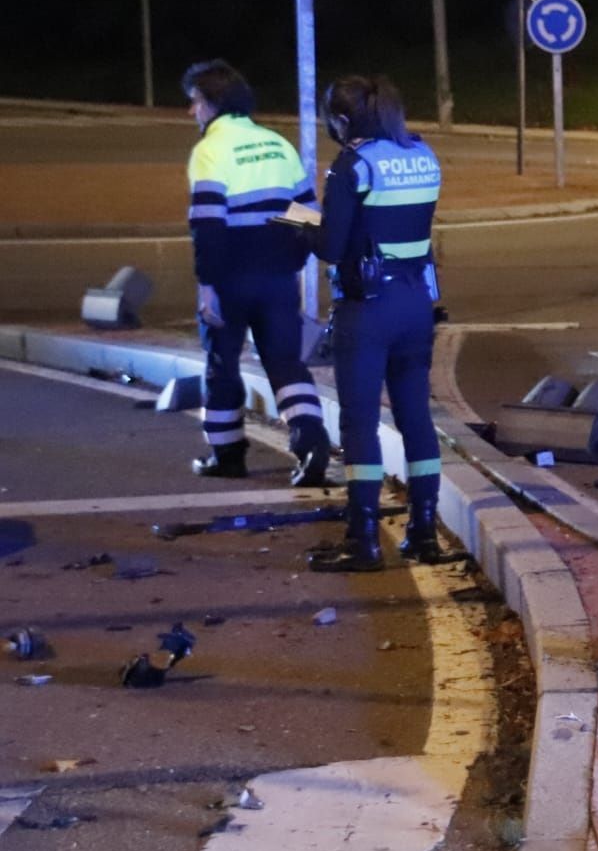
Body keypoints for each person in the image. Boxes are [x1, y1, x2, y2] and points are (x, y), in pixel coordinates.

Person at [309, 74, 455, 572]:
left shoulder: (353, 165)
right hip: (416, 302)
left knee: (360, 423)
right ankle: (424, 533)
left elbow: (331, 246)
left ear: (343, 119)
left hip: (367, 307)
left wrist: (300, 222)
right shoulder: (423, 155)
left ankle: (364, 539)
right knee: (416, 417)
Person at [182, 60, 330, 486]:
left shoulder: (210, 150)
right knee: (286, 363)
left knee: (221, 365)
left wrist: (208, 286)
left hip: (230, 280)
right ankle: (311, 442)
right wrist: (289, 262)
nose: (193, 112)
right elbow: (309, 217)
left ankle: (227, 455)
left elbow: (207, 226)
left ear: (211, 103)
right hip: (278, 279)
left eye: (195, 102)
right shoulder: (277, 144)